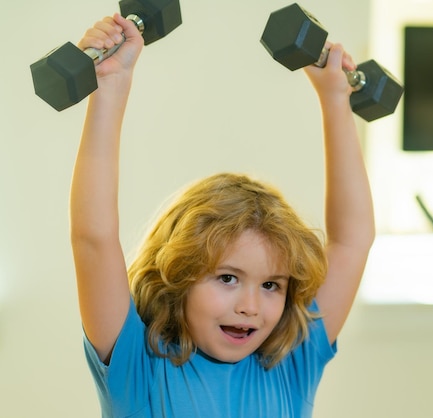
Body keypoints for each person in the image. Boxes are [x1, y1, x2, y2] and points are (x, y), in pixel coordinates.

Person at [70, 13, 375, 418]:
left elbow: (353, 241)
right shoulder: (137, 365)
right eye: (227, 277)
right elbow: (93, 237)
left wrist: (336, 99)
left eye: (271, 285)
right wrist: (109, 85)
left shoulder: (289, 365)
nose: (250, 306)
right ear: (178, 276)